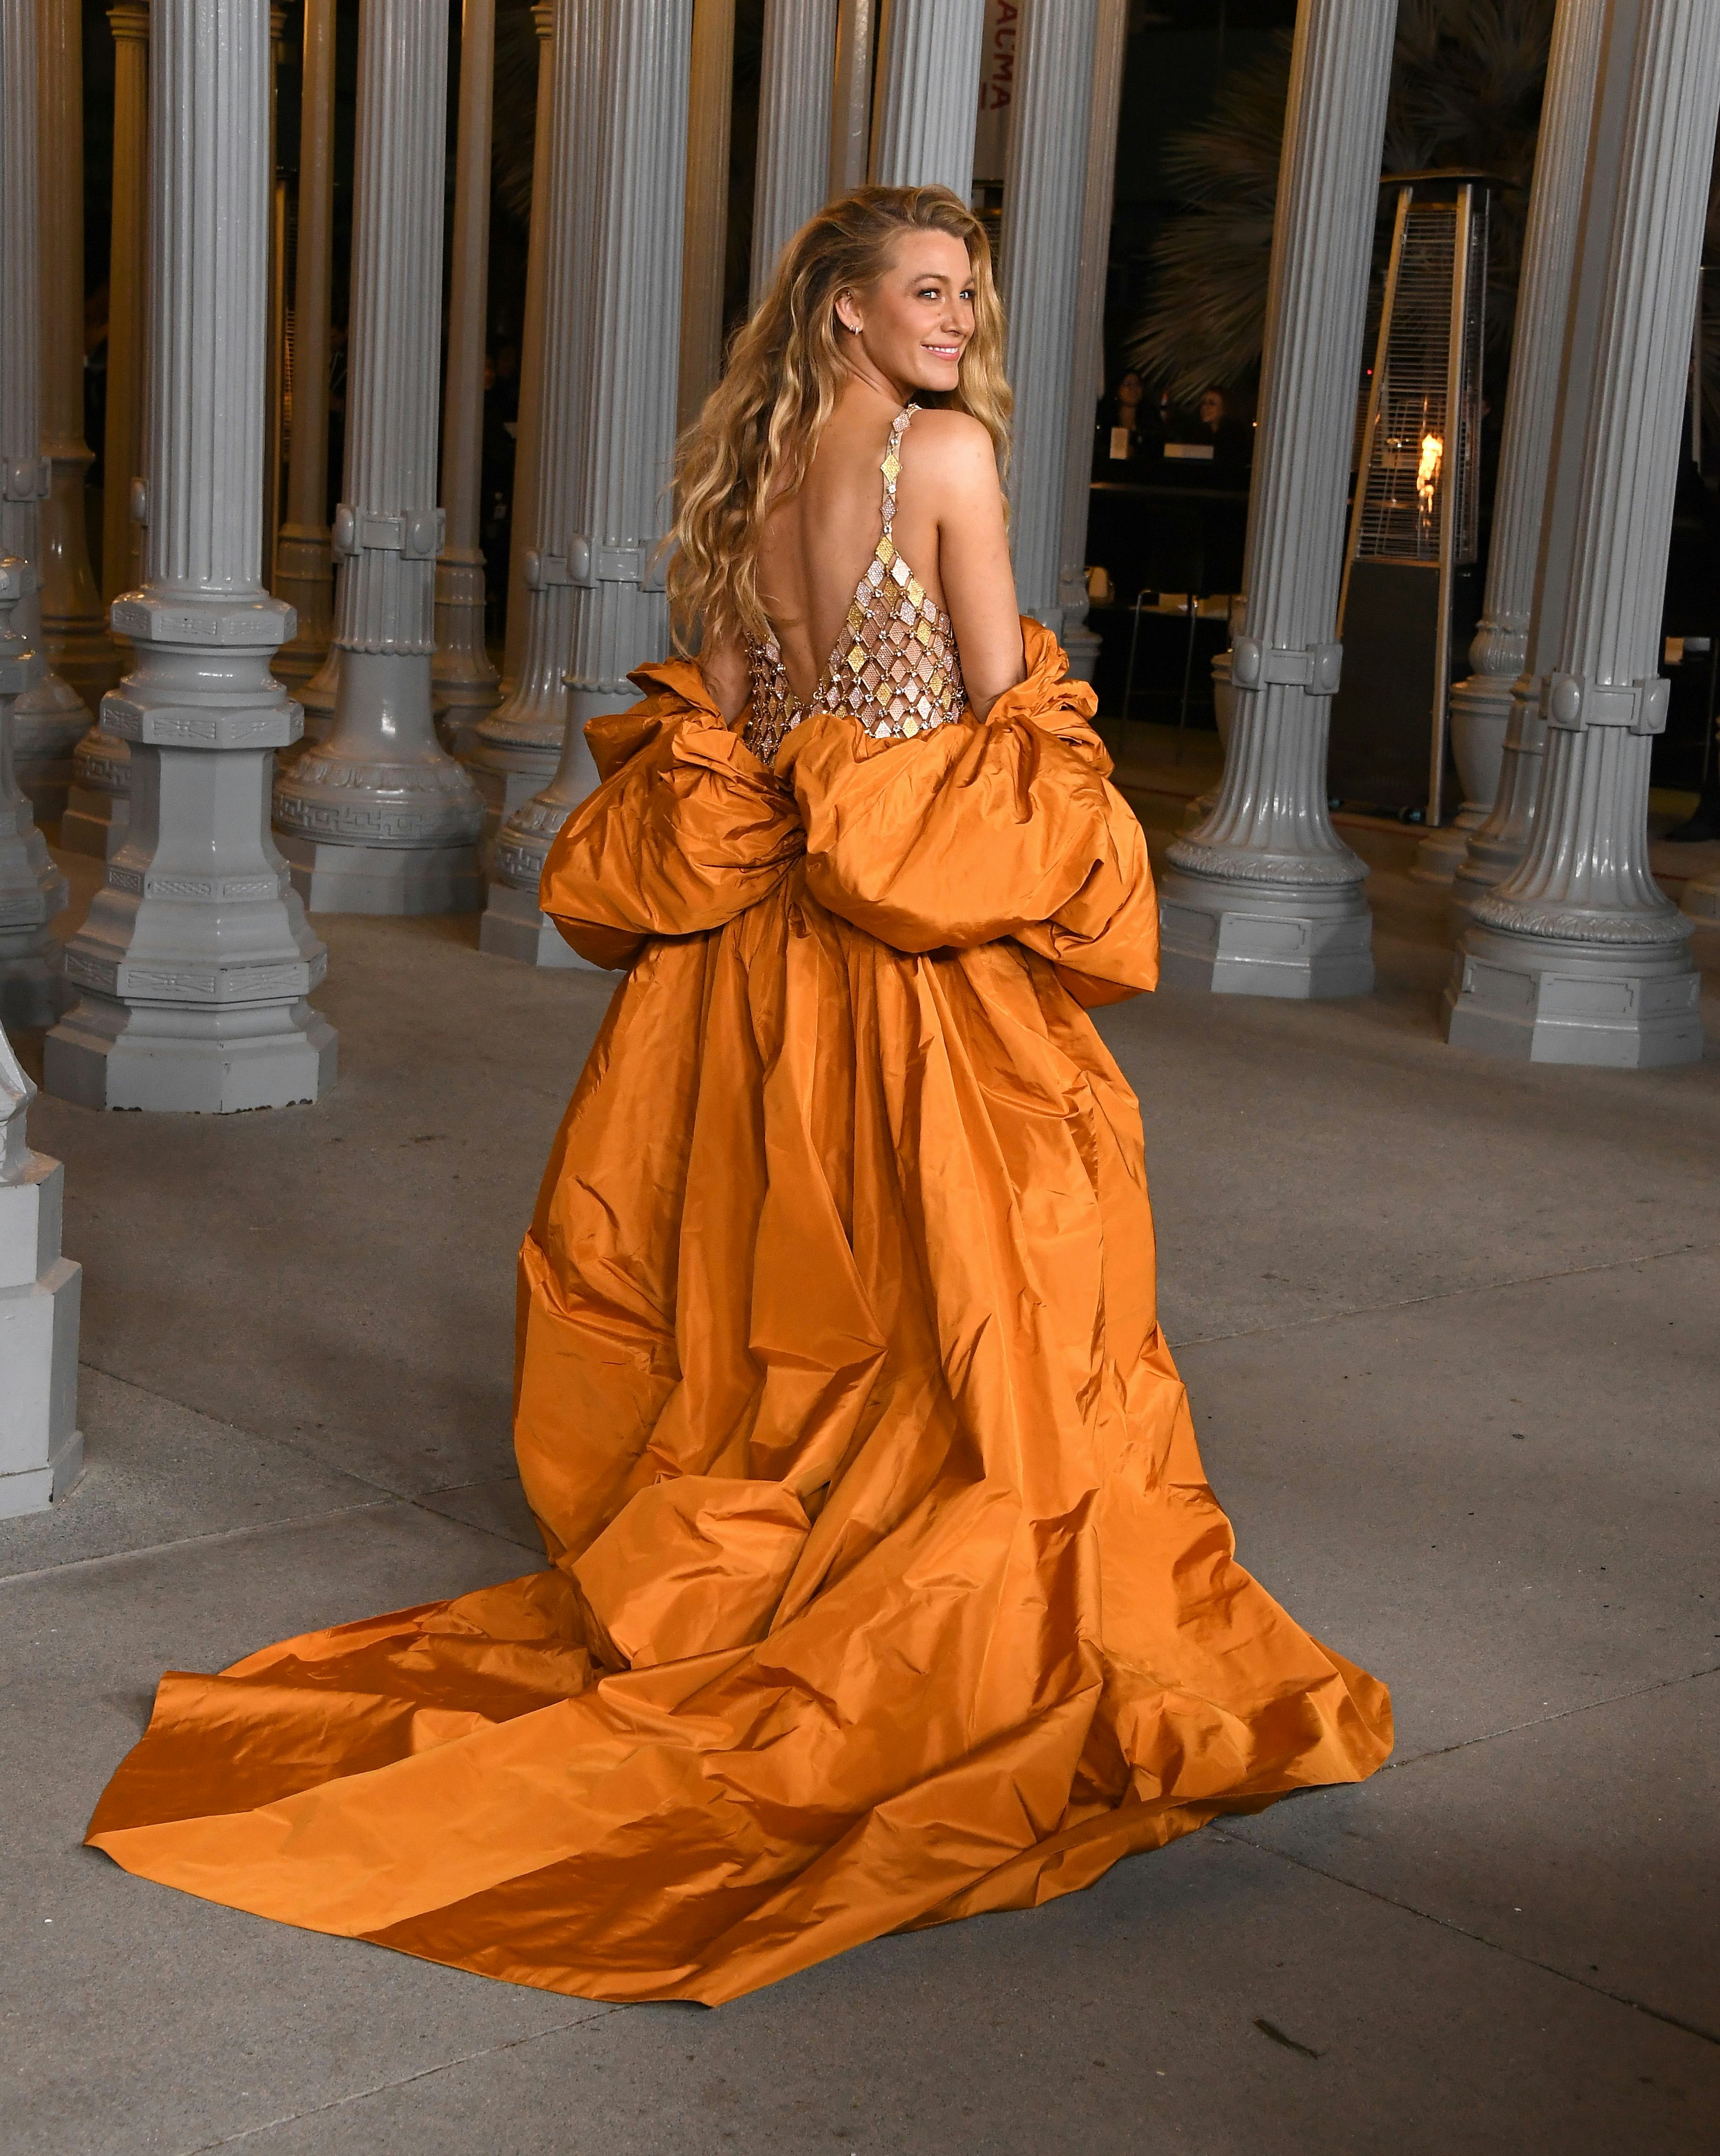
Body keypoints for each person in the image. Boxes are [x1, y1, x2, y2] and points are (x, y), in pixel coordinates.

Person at [86, 186, 1391, 2007]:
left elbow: (726, 726)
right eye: (926, 290)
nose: (957, 319)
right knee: (993, 1280)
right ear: (847, 311)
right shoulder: (945, 457)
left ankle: (796, 1550)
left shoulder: (741, 491)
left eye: (967, 291)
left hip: (764, 965)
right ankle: (928, 1575)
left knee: (801, 1279)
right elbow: (1007, 724)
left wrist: (817, 772)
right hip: (909, 965)